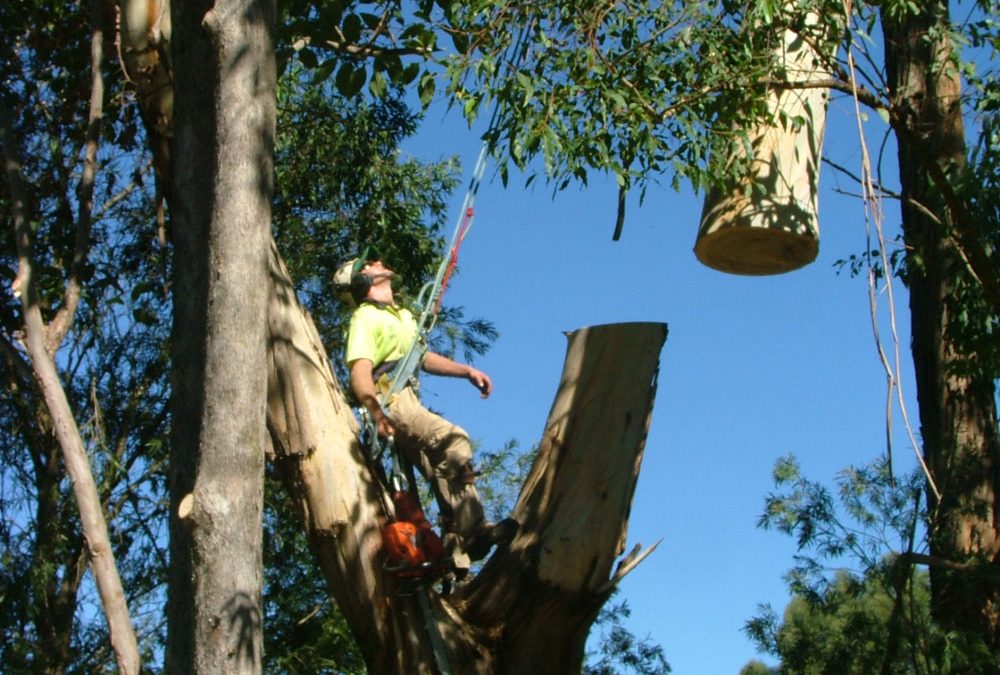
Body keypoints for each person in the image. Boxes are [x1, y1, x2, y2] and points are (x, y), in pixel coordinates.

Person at [334, 248, 515, 573]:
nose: (379, 262)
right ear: (364, 280)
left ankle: (454, 548)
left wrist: (466, 371)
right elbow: (360, 372)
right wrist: (376, 412)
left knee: (438, 467)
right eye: (371, 264)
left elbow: (422, 357)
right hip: (391, 398)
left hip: (407, 400)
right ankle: (475, 531)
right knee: (453, 440)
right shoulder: (366, 317)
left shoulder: (402, 317)